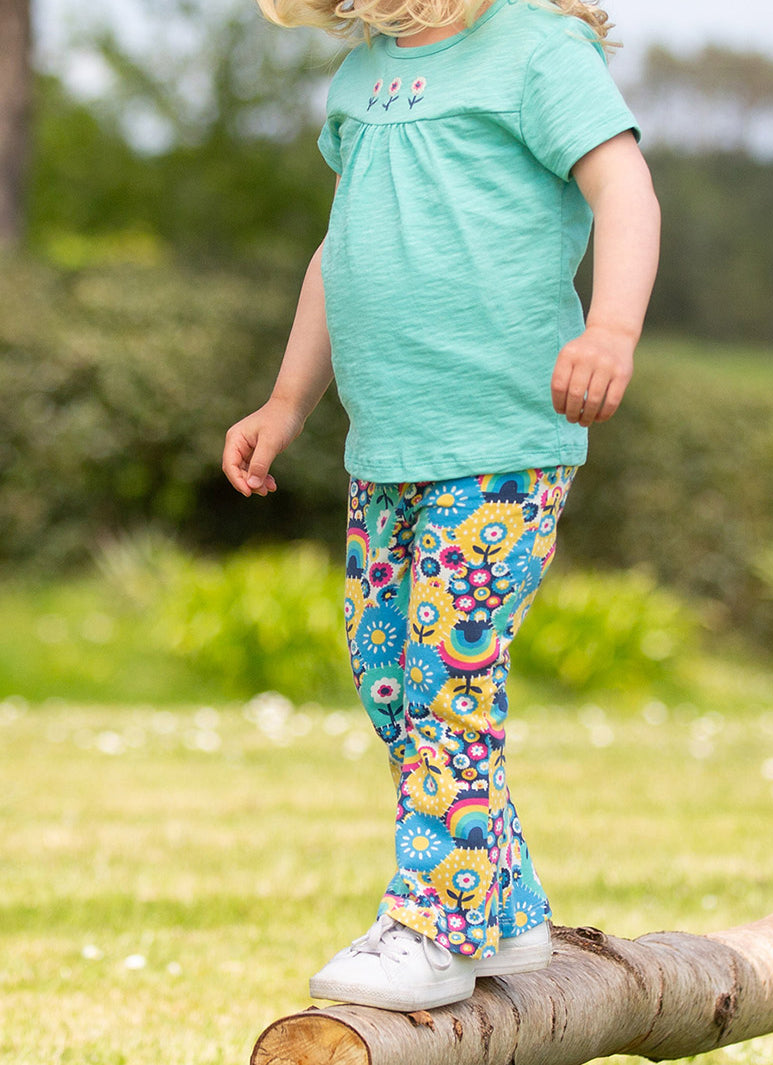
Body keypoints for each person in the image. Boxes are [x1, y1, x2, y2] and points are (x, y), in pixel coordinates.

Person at [221, 0, 659, 1014]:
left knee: (448, 679)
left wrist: (612, 330)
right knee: (389, 678)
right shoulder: (363, 75)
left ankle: (436, 921)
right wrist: (287, 402)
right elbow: (341, 251)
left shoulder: (536, 51)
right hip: (389, 445)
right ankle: (506, 906)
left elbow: (626, 191)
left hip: (500, 440)